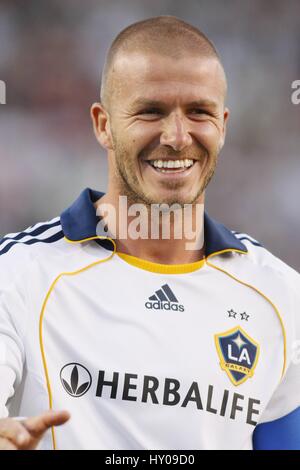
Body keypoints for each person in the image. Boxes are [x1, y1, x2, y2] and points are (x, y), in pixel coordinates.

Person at [0, 15, 299, 450]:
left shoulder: (282, 295)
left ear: (224, 123)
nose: (177, 137)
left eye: (199, 111)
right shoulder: (18, 275)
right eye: (150, 111)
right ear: (103, 124)